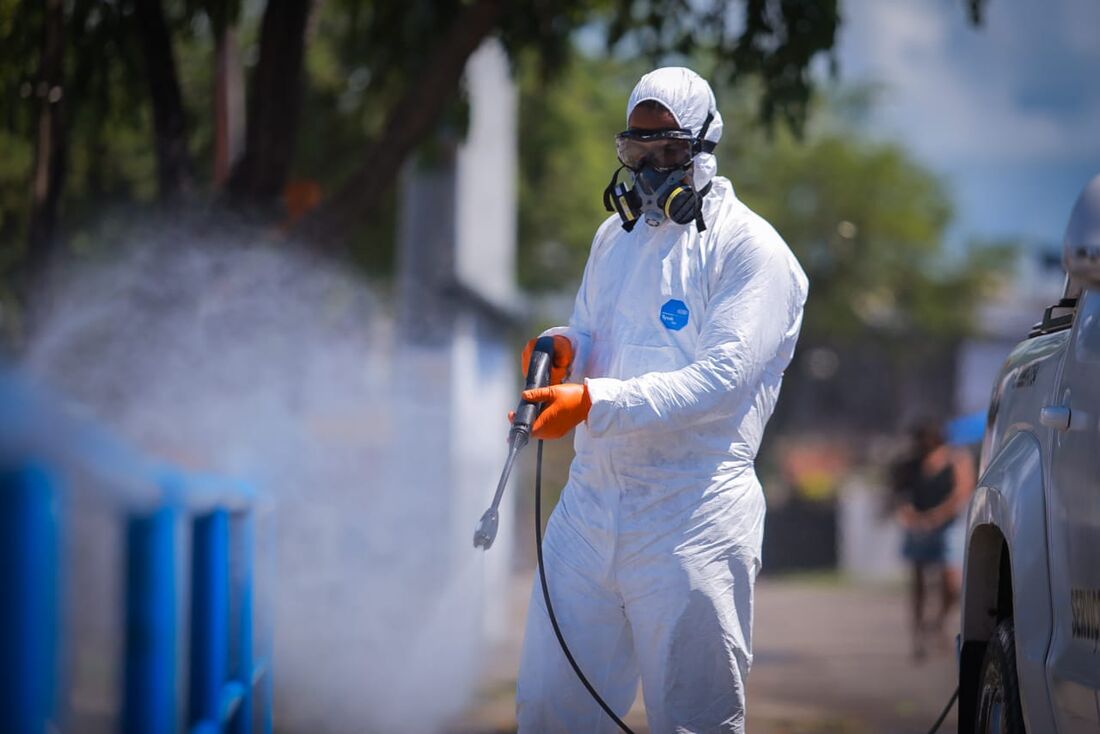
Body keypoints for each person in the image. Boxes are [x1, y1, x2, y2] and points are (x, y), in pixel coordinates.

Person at [512, 67, 808, 733]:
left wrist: (590, 400)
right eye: (636, 152)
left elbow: (720, 380)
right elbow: (593, 334)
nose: (649, 169)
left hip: (691, 516)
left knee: (692, 720)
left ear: (705, 147)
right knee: (549, 710)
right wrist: (564, 348)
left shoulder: (751, 250)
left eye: (668, 152)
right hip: (590, 505)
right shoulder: (611, 240)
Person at [891, 420, 976, 661]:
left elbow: (962, 491)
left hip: (947, 526)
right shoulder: (910, 463)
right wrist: (912, 516)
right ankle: (918, 635)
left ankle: (939, 622)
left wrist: (937, 516)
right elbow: (900, 493)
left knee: (951, 582)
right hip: (918, 525)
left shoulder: (955, 459)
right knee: (918, 583)